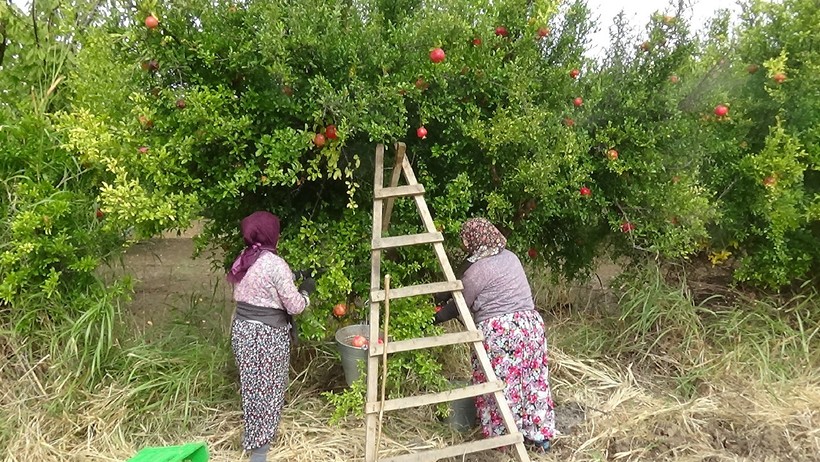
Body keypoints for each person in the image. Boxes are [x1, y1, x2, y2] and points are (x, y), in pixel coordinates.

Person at [433, 217, 555, 452]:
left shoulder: (477, 270)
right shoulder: (511, 257)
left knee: (500, 385)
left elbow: (459, 303)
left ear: (473, 241)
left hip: (502, 331)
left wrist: (434, 318)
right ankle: (539, 435)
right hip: (530, 327)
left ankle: (504, 439)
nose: (463, 245)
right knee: (531, 381)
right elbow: (460, 287)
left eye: (465, 241)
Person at [226, 211, 316, 462]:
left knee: (252, 386)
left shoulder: (244, 260)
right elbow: (295, 305)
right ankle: (260, 453)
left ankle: (253, 437)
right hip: (267, 336)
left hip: (243, 330)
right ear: (271, 234)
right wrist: (306, 290)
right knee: (269, 389)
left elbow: (259, 285)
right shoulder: (275, 264)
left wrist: (294, 274)